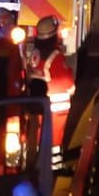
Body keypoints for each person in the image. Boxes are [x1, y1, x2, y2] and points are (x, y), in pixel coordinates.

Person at [28, 15, 75, 164]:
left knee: (41, 139)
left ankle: (40, 166)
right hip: (56, 110)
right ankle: (53, 172)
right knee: (54, 142)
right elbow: (67, 83)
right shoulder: (56, 56)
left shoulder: (35, 54)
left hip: (39, 105)